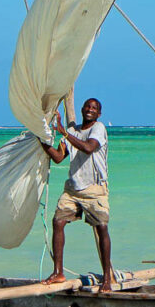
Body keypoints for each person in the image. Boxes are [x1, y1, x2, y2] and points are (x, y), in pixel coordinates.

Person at [39, 97, 115, 290]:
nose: (90, 109)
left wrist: (64, 132)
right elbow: (58, 157)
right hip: (73, 189)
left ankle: (107, 278)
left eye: (94, 108)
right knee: (58, 222)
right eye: (87, 106)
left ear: (99, 114)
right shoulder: (72, 132)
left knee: (102, 228)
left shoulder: (98, 128)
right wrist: (42, 141)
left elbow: (88, 147)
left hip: (94, 189)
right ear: (81, 109)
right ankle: (58, 272)